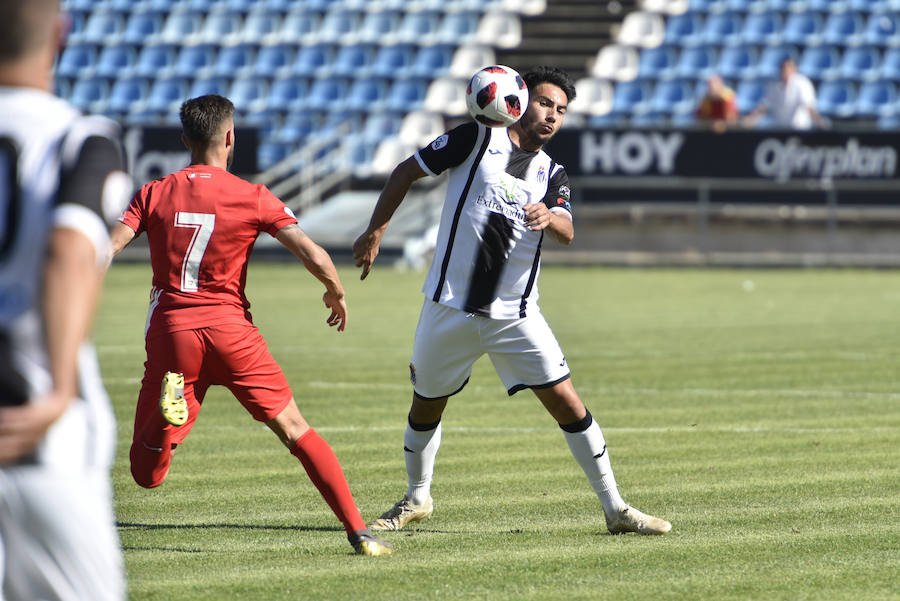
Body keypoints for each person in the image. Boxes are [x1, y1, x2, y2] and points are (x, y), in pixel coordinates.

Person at [352, 66, 671, 537]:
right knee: (425, 407)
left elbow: (568, 230)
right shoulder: (475, 140)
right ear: (519, 100)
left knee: (568, 404)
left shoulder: (551, 173)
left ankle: (616, 508)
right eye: (545, 103)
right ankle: (417, 497)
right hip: (449, 306)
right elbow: (405, 172)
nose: (552, 116)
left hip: (514, 316)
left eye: (561, 111)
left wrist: (551, 215)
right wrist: (375, 230)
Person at [108, 94, 391, 557]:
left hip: (173, 335)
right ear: (230, 137)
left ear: (184, 141)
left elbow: (109, 246)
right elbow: (311, 251)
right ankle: (359, 531)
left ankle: (165, 419)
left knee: (146, 475)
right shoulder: (252, 195)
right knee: (295, 430)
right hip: (232, 333)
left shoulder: (154, 191)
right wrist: (335, 291)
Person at [0, 1, 129, 599]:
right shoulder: (80, 136)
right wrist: (56, 389)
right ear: (61, 32)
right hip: (35, 434)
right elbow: (69, 251)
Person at [745, 57, 827, 130]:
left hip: (799, 129)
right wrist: (750, 120)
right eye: (783, 68)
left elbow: (809, 107)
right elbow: (764, 107)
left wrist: (820, 123)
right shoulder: (774, 86)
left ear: (794, 69)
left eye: (788, 68)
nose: (785, 71)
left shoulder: (802, 84)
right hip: (779, 130)